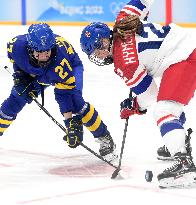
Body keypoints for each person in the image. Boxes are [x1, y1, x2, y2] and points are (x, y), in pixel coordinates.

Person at [80, 0, 196, 188]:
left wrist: (134, 106)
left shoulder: (123, 64)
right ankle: (179, 143)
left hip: (183, 57)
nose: (99, 56)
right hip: (183, 44)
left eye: (97, 49)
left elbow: (150, 95)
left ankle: (184, 163)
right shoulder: (122, 20)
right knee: (169, 107)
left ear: (104, 41)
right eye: (94, 54)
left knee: (164, 111)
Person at [0, 23, 117, 162]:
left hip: (69, 68)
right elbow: (14, 58)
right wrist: (20, 75)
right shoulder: (17, 46)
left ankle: (104, 136)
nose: (44, 56)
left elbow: (63, 95)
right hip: (38, 73)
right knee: (16, 98)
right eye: (39, 52)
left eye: (47, 51)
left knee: (76, 104)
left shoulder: (60, 63)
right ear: (30, 49)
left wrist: (69, 124)